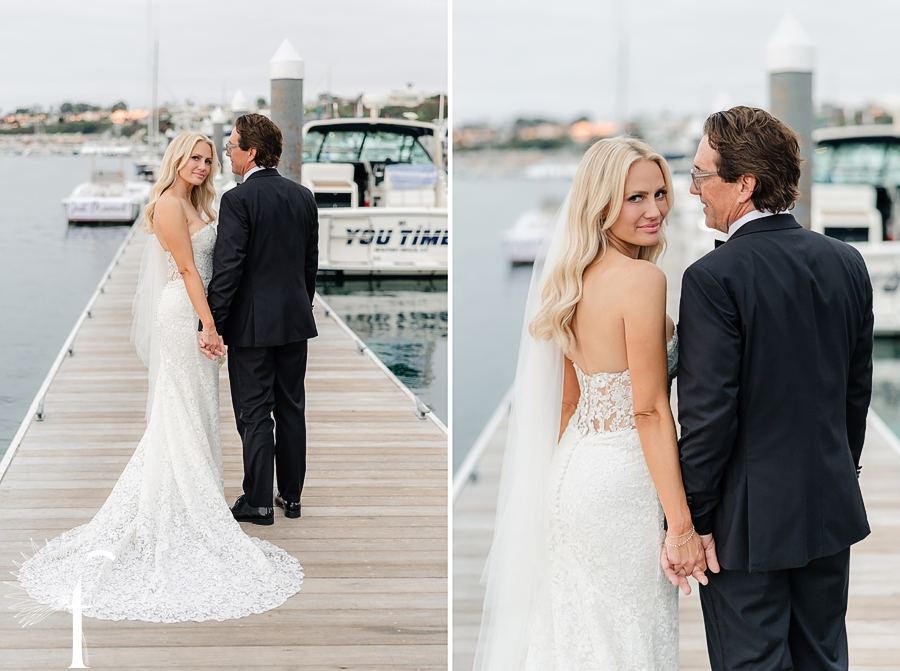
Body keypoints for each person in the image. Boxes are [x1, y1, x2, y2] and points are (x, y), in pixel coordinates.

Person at [16, 132, 304, 623]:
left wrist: (214, 319)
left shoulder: (201, 202)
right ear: (175, 159)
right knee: (182, 407)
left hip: (201, 314)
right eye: (194, 157)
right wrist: (209, 327)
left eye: (209, 159)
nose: (201, 165)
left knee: (197, 408)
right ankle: (184, 502)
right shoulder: (169, 205)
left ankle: (202, 494)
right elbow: (190, 271)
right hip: (184, 317)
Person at [474, 137, 709, 671]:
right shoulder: (643, 280)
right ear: (601, 204)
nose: (654, 210)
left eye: (660, 194)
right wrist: (680, 527)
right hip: (622, 484)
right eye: (634, 198)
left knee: (575, 635)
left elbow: (567, 402)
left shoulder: (568, 279)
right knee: (627, 640)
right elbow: (649, 411)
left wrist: (545, 494)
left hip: (572, 475)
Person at [675, 106, 873, 670]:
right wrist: (839, 472)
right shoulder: (846, 262)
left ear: (744, 184)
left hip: (746, 523)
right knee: (823, 660)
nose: (694, 191)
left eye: (702, 176)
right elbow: (854, 395)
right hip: (827, 506)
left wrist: (691, 520)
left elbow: (709, 418)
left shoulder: (713, 278)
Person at [204, 114, 319, 525]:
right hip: (294, 322)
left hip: (252, 326)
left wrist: (211, 323)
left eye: (232, 146)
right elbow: (310, 266)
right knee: (291, 407)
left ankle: (259, 501)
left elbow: (228, 268)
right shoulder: (303, 196)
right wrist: (298, 308)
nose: (228, 154)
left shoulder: (237, 200)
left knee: (254, 413)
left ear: (251, 152)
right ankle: (291, 496)